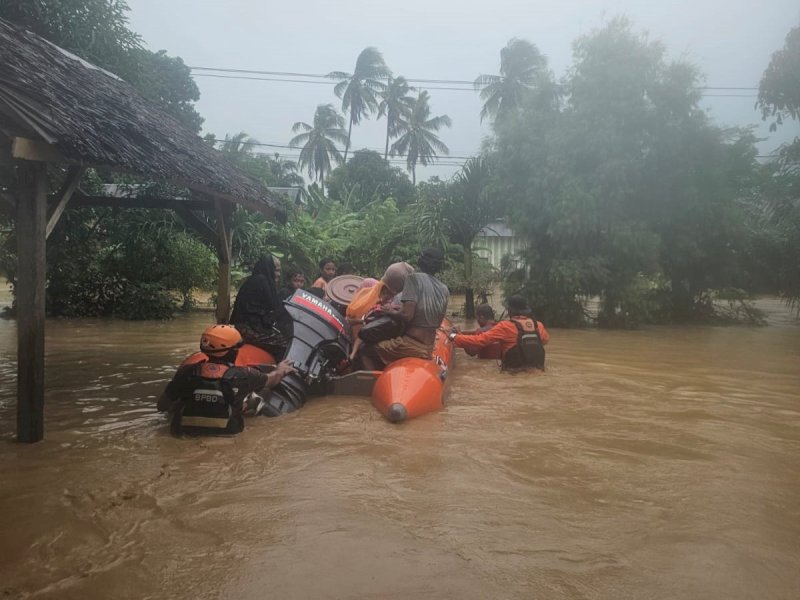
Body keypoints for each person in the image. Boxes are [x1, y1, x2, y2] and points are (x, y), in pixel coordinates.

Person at [157, 324, 296, 435]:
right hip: (227, 434)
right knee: (256, 395)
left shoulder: (186, 372)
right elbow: (272, 380)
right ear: (233, 351)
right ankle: (249, 403)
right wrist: (280, 369)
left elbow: (162, 406)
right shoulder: (244, 375)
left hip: (183, 433)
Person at [362, 249, 449, 370]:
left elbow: (407, 315)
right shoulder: (444, 289)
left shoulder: (413, 279)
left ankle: (373, 385)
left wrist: (388, 310)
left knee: (364, 350)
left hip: (410, 345)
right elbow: (436, 320)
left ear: (420, 261)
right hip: (429, 346)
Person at [450, 294, 550, 371]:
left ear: (510, 311)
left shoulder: (505, 326)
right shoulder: (538, 325)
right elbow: (545, 341)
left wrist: (455, 336)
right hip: (537, 370)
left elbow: (479, 340)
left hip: (512, 373)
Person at [229, 254, 288, 356]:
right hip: (249, 327)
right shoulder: (261, 281)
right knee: (283, 344)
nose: (278, 274)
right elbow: (272, 306)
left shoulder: (256, 280)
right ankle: (277, 370)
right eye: (276, 270)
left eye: (279, 271)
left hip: (250, 325)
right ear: (268, 268)